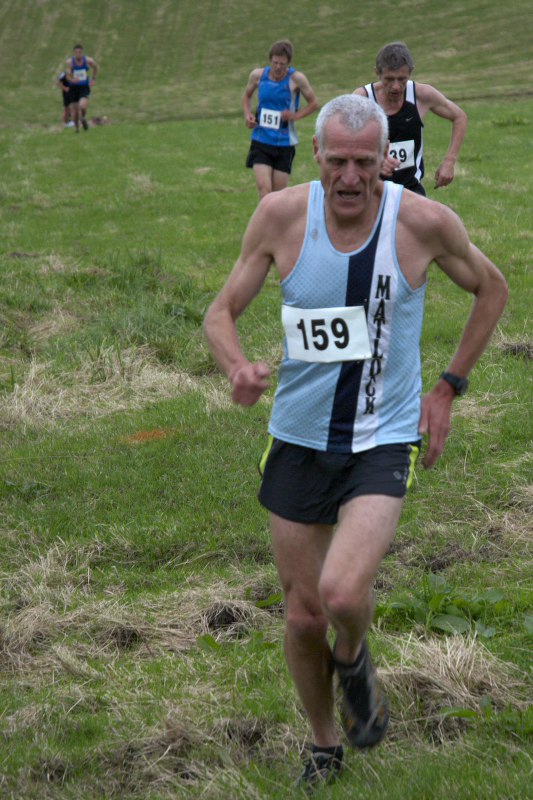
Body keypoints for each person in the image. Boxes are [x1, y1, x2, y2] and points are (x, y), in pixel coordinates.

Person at [203, 94, 507, 790]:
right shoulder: (280, 217)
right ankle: (322, 741)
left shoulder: (422, 223)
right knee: (302, 612)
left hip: (382, 438)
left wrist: (446, 388)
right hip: (297, 438)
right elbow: (220, 311)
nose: (349, 177)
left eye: (364, 163)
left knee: (340, 596)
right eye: (336, 161)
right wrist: (236, 366)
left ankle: (354, 655)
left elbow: (491, 289)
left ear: (385, 161)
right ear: (315, 155)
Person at [353, 42, 467, 195]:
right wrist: (375, 159)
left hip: (411, 190)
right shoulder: (362, 99)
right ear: (377, 73)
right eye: (389, 79)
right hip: (370, 189)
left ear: (410, 72)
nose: (396, 86)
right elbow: (345, 138)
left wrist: (449, 161)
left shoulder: (421, 95)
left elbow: (459, 116)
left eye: (402, 79)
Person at [242, 40, 318, 199]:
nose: (277, 67)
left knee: (278, 196)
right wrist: (248, 115)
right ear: (270, 60)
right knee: (264, 191)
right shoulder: (258, 76)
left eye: (282, 64)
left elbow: (313, 103)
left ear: (288, 63)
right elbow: (247, 96)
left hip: (284, 143)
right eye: (275, 63)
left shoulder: (296, 79)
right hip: (261, 140)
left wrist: (294, 116)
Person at [66, 44, 98, 132]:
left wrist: (93, 78)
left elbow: (95, 67)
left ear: (82, 52)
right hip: (73, 88)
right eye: (76, 52)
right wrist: (72, 80)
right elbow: (68, 76)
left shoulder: (88, 60)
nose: (78, 54)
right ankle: (77, 128)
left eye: (79, 52)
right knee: (75, 111)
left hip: (84, 87)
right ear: (74, 53)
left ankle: (82, 118)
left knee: (82, 106)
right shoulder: (70, 62)